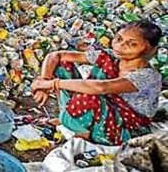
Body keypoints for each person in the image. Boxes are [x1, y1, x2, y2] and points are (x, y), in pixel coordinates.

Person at [31, 20, 163, 145]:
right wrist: (45, 80)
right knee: (63, 65)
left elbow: (101, 88)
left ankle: (82, 135)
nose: (120, 46)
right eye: (118, 39)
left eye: (132, 44)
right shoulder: (110, 56)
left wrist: (51, 84)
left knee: (88, 95)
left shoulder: (148, 76)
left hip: (125, 129)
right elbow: (57, 56)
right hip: (103, 110)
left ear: (150, 50)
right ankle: (69, 119)